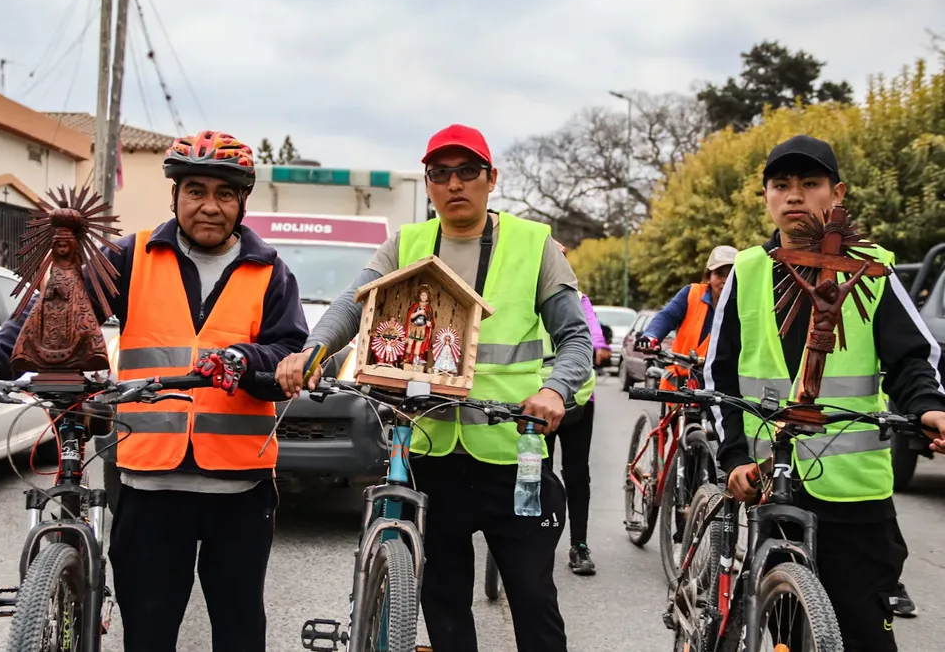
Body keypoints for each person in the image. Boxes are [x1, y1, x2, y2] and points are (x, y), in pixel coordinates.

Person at [0, 130, 310, 652]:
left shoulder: (272, 271)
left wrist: (246, 358)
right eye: (196, 190)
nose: (210, 206)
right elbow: (51, 314)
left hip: (240, 489)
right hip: (149, 484)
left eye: (224, 194)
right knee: (148, 634)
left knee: (239, 632)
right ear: (175, 195)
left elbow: (287, 352)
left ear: (242, 201)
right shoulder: (132, 256)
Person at [274, 123, 594, 652]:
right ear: (428, 183)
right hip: (431, 451)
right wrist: (314, 350)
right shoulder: (408, 243)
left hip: (511, 455)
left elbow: (576, 338)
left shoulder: (534, 244)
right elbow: (354, 304)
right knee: (442, 604)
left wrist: (556, 390)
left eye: (467, 171)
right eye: (440, 173)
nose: (454, 183)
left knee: (534, 602)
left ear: (491, 179)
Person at [704, 134, 945, 652]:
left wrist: (929, 409)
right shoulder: (747, 272)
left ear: (836, 194)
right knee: (788, 630)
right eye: (780, 184)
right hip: (773, 480)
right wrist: (733, 460)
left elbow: (911, 358)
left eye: (809, 184)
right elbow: (718, 380)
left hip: (855, 489)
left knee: (867, 631)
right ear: (766, 196)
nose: (794, 195)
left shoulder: (871, 268)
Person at [541, 240, 609, 576]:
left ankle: (579, 545)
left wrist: (600, 347)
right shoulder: (526, 299)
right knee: (536, 473)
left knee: (576, 474)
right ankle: (535, 541)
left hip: (579, 401)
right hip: (536, 401)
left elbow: (592, 335)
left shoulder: (579, 301)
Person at [635, 245, 737, 390]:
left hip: (723, 383)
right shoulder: (692, 293)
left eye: (732, 275)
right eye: (719, 274)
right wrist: (651, 336)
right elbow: (667, 316)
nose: (726, 280)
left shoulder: (744, 305)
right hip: (681, 380)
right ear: (708, 277)